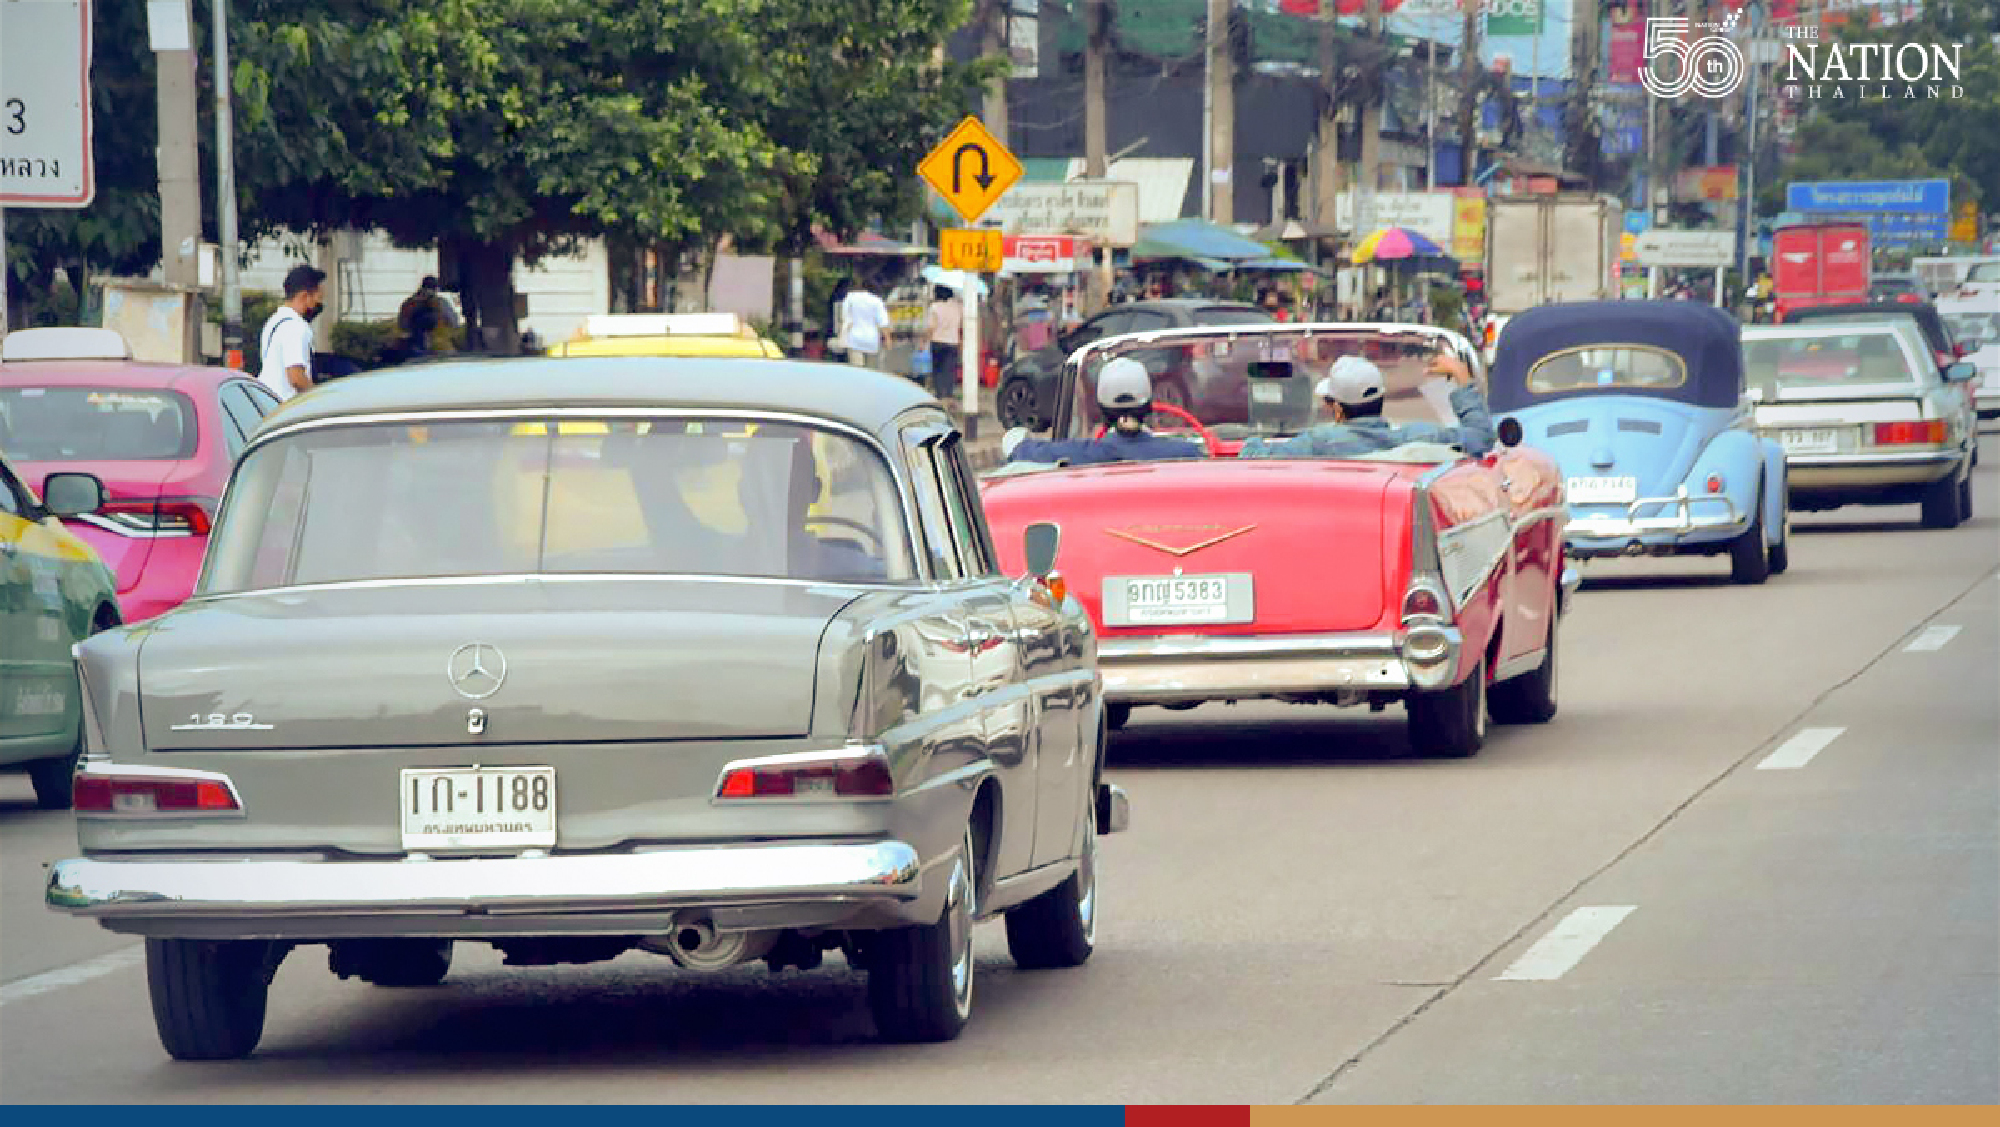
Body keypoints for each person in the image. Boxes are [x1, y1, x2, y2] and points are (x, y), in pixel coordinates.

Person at [1239, 349, 1494, 459]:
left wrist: (1242, 437)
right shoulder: (1417, 438)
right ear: (1379, 400)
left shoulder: (1318, 443)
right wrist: (1462, 376)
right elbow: (1481, 436)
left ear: (1337, 409)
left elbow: (1251, 456)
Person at [1000, 358, 1206, 466]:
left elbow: (1016, 446)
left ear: (1102, 407)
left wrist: (1019, 438)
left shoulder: (1076, 455)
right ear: (1148, 404)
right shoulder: (1188, 454)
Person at [258, 264, 326, 401]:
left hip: (267, 403)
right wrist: (318, 399)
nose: (318, 304)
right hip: (285, 407)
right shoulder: (295, 327)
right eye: (317, 299)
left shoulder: (274, 321)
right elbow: (296, 377)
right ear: (305, 296)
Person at [397, 276, 460, 356]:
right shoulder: (440, 302)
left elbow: (402, 325)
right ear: (436, 288)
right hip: (441, 347)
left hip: (415, 348)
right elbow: (454, 322)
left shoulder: (409, 303)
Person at [838, 276, 891, 369]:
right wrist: (888, 340)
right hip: (871, 340)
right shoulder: (877, 301)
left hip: (854, 339)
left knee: (857, 370)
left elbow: (845, 317)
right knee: (871, 371)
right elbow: (883, 323)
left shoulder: (850, 297)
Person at [925, 285, 963, 402]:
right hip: (953, 341)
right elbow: (960, 325)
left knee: (938, 369)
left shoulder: (934, 307)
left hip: (937, 341)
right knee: (950, 369)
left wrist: (924, 341)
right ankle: (948, 394)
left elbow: (931, 327)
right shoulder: (958, 307)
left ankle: (940, 394)